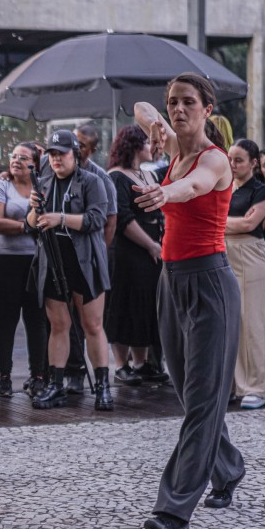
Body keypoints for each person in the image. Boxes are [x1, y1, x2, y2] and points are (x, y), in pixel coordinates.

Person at [134, 73, 245, 529]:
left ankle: (174, 508)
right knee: (191, 395)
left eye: (188, 103)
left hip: (211, 284)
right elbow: (140, 107)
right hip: (171, 282)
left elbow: (195, 186)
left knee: (202, 400)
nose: (179, 110)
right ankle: (229, 466)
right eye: (172, 103)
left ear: (207, 108)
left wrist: (165, 192)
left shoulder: (213, 159)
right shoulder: (172, 150)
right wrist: (156, 122)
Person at [26, 129, 113, 411]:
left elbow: (96, 219)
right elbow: (31, 225)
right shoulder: (44, 182)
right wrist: (33, 210)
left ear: (75, 153)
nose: (56, 159)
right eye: (51, 154)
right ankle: (56, 384)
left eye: (61, 153)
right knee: (59, 326)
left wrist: (60, 218)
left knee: (93, 326)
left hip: (85, 261)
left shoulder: (92, 181)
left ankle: (102, 387)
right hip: (53, 261)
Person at [0, 143, 47, 397]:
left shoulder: (43, 186)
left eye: (24, 157)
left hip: (35, 262)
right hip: (3, 261)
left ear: (36, 163)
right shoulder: (1, 186)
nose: (16, 161)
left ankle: (38, 376)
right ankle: (5, 377)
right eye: (13, 156)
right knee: (7, 320)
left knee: (37, 320)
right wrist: (28, 227)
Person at [104, 126, 163, 386]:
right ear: (136, 145)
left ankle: (141, 363)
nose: (152, 147)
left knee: (145, 305)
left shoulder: (149, 174)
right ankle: (121, 365)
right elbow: (123, 218)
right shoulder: (117, 177)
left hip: (152, 251)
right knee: (124, 303)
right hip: (128, 252)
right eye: (148, 143)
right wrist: (150, 244)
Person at [224, 139, 265, 410]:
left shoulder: (260, 190)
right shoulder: (226, 187)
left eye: (239, 160)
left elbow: (250, 223)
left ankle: (255, 386)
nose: (233, 164)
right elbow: (238, 222)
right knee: (229, 322)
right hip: (224, 253)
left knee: (252, 322)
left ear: (253, 163)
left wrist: (218, 223)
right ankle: (231, 384)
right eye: (231, 159)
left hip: (250, 255)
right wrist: (232, 225)